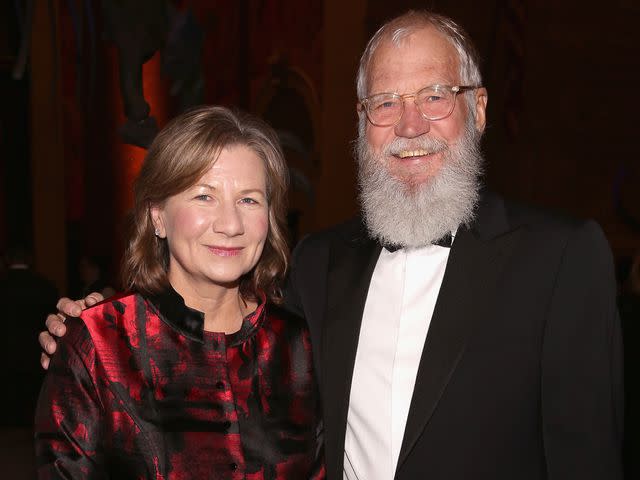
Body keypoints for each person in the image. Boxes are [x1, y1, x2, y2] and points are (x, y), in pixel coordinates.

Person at [41, 10, 622, 480]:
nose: (409, 125)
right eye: (386, 103)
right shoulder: (320, 264)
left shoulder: (561, 259)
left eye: (435, 96)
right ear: (362, 122)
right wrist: (89, 329)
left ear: (479, 108)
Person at [35, 106, 325, 479]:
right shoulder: (98, 344)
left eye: (249, 199)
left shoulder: (300, 345)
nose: (231, 224)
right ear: (157, 215)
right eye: (204, 196)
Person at [0, 245, 58, 427]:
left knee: (8, 395)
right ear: (30, 260)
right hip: (36, 350)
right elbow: (53, 321)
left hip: (5, 350)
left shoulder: (3, 284)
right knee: (33, 395)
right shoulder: (45, 286)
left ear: (7, 259)